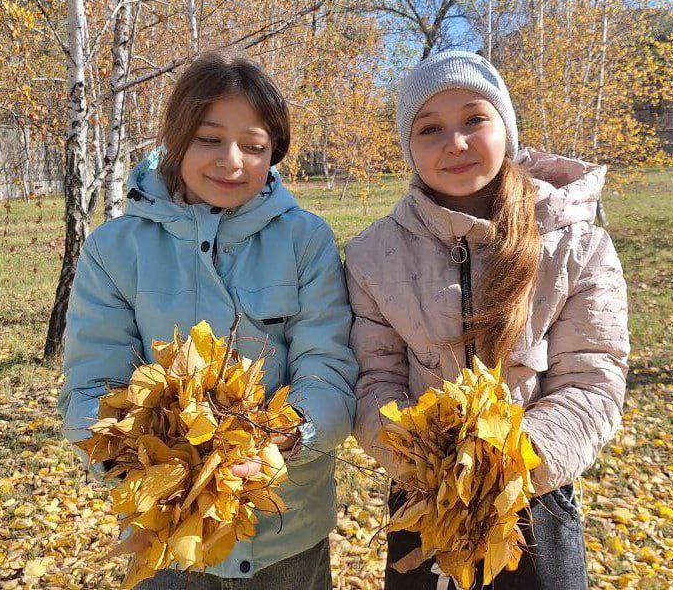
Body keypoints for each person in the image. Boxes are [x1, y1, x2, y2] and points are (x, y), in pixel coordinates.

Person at [58, 50, 356, 590]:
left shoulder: (304, 240)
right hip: (171, 539)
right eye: (210, 139)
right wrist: (144, 459)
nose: (232, 161)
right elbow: (89, 387)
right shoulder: (115, 249)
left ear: (274, 153)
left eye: (254, 146)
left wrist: (290, 436)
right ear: (177, 138)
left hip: (287, 529)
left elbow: (328, 370)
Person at [345, 50, 630, 589]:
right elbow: (373, 380)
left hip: (535, 504)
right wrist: (433, 467)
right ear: (408, 145)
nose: (455, 142)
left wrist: (508, 464)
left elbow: (592, 379)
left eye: (475, 119)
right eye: (430, 128)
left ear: (506, 128)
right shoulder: (372, 257)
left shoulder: (577, 246)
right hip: (425, 504)